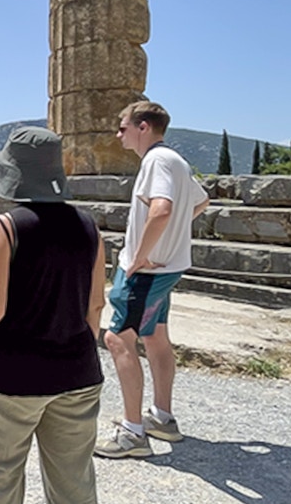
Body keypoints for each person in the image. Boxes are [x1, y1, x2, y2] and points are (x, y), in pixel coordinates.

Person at [0, 127, 107, 504]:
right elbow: (95, 306)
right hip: (77, 371)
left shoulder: (4, 227)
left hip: (13, 375)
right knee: (75, 482)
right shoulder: (89, 227)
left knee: (0, 477)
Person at [96, 101, 209, 459]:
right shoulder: (177, 161)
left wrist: (141, 254)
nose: (119, 134)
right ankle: (162, 417)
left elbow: (161, 209)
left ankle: (133, 434)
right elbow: (201, 202)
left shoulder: (156, 161)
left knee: (117, 339)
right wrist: (173, 237)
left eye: (123, 126)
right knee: (154, 335)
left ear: (143, 127)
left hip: (146, 270)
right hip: (169, 266)